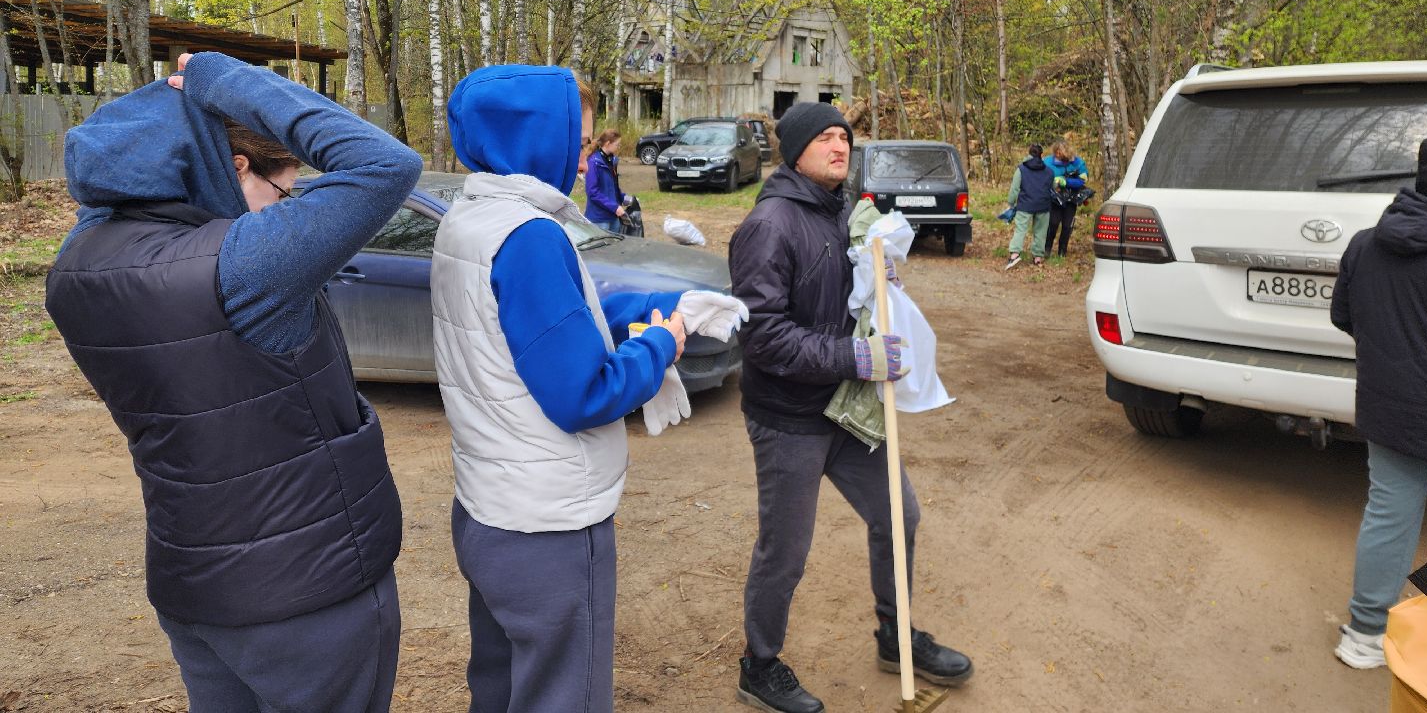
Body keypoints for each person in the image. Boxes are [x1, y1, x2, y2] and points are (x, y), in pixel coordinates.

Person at [45, 51, 422, 712]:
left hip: (192, 589)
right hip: (305, 599)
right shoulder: (241, 268)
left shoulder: (76, 270)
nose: (284, 209)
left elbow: (113, 182)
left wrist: (179, 122)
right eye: (283, 190)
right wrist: (223, 79)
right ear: (233, 166)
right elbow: (386, 165)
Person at [431, 64, 748, 713]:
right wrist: (665, 341)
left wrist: (648, 313)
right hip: (547, 530)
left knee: (500, 687)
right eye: (576, 144)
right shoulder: (530, 238)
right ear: (533, 141)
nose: (583, 163)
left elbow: (540, 331)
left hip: (489, 509)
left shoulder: (471, 219)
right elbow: (585, 392)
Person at [728, 101, 972, 713]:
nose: (841, 147)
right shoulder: (770, 225)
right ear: (797, 150)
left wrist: (879, 286)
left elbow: (846, 295)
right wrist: (856, 357)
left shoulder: (845, 214)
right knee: (785, 549)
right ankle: (759, 665)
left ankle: (896, 637)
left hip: (847, 408)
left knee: (899, 514)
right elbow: (761, 336)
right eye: (826, 139)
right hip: (789, 415)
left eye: (845, 137)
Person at [1330, 137, 1427, 671]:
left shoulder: (1365, 244)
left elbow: (1343, 317)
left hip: (1392, 405)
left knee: (1390, 514)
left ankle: (1365, 634)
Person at [1006, 143, 1057, 270]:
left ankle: (1015, 255)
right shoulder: (1050, 172)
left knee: (1020, 230)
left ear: (1029, 154)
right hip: (1043, 205)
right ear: (1041, 155)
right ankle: (1038, 258)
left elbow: (1014, 189)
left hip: (1025, 205)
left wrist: (1011, 203)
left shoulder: (1021, 169)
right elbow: (1053, 188)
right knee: (1040, 232)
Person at [1043, 141, 1090, 258]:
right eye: (1057, 153)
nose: (1059, 155)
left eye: (1061, 153)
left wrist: (1066, 182)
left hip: (1071, 199)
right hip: (1055, 199)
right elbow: (1041, 177)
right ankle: (1047, 249)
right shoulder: (1048, 162)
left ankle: (1062, 252)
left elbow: (1083, 180)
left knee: (1067, 226)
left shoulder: (1077, 162)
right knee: (1053, 224)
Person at [585, 127, 626, 232]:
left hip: (613, 216)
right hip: (599, 219)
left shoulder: (612, 161)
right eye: (617, 144)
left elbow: (613, 186)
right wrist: (615, 207)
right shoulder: (593, 162)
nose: (618, 147)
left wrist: (624, 198)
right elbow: (592, 192)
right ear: (608, 143)